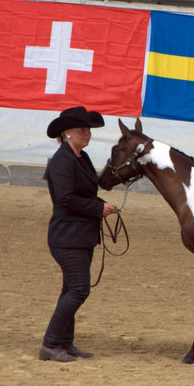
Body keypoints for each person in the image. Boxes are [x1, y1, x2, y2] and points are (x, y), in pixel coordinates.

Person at [39, 106, 117, 362]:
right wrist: (98, 208)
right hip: (67, 237)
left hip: (80, 235)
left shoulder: (81, 158)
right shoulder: (62, 160)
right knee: (79, 290)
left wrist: (101, 203)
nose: (87, 134)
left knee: (70, 289)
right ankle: (50, 343)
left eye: (88, 130)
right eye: (82, 130)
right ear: (68, 133)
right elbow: (65, 198)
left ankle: (65, 342)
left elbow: (84, 192)